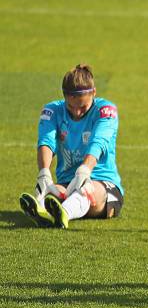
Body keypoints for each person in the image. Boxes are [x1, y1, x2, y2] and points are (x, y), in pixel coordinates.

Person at [19, 64, 124, 229]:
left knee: (85, 189)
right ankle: (42, 208)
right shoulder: (52, 110)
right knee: (50, 193)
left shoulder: (106, 110)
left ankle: (64, 213)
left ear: (94, 93)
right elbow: (46, 141)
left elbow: (99, 141)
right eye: (71, 106)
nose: (76, 112)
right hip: (67, 182)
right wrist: (44, 173)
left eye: (82, 107)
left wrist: (85, 170)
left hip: (102, 183)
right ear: (64, 97)